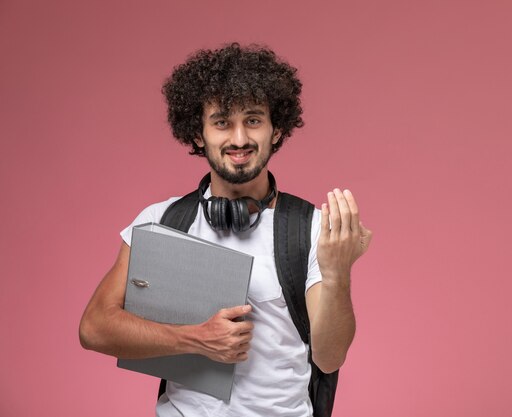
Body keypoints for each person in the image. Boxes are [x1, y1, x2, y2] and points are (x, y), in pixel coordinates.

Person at [79, 42, 372, 417]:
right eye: (221, 122)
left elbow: (330, 358)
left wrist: (337, 273)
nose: (238, 139)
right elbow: (94, 328)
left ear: (276, 129)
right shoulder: (160, 221)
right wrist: (194, 339)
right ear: (198, 134)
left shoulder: (311, 229)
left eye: (253, 119)